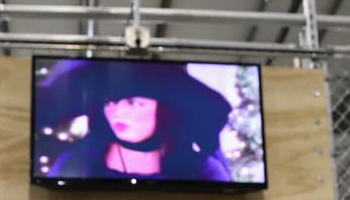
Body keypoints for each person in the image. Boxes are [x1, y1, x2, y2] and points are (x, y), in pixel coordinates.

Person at [36, 60, 234, 182]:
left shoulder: (203, 169)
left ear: (165, 110)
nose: (117, 112)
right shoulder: (75, 163)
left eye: (134, 103)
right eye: (111, 101)